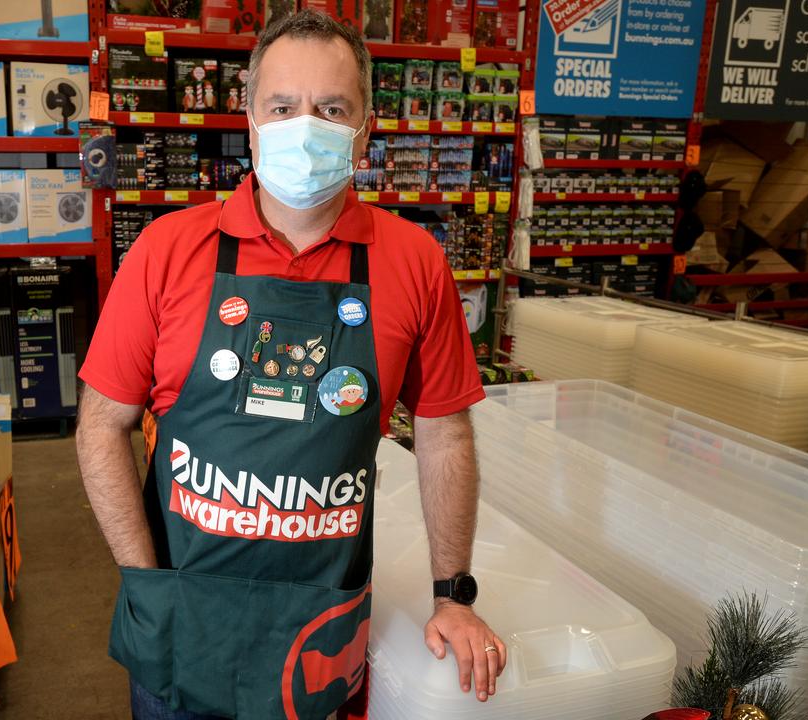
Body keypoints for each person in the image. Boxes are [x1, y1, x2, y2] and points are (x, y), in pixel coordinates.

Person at [76, 10, 506, 719]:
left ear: (365, 130)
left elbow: (445, 433)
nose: (305, 126)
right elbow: (100, 426)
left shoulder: (413, 263)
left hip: (319, 635)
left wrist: (452, 595)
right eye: (283, 107)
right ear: (250, 121)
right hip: (182, 620)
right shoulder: (165, 250)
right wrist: (142, 580)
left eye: (331, 108)